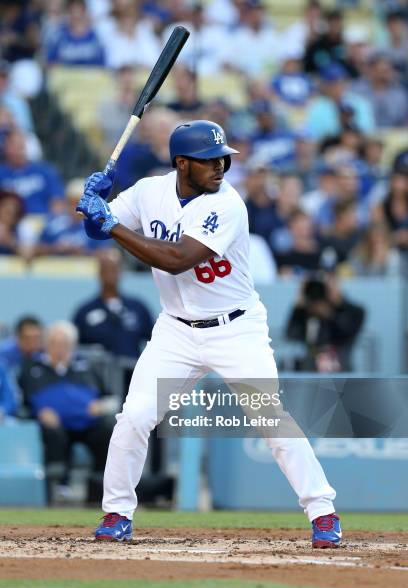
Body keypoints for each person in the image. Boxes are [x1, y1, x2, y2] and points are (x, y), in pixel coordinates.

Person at [77, 119, 342, 547]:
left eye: (223, 158)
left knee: (269, 417)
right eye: (208, 160)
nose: (220, 166)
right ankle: (116, 514)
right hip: (175, 330)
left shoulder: (227, 203)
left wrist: (110, 224)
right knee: (135, 417)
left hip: (236, 329)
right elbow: (93, 230)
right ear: (181, 163)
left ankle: (323, 512)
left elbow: (177, 259)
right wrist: (92, 203)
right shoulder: (149, 192)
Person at [18, 320, 117, 504]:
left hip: (87, 422)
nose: (59, 348)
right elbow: (24, 402)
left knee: (106, 430)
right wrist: (38, 413)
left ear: (72, 345)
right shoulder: (32, 368)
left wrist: (100, 406)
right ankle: (59, 488)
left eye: (64, 343)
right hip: (53, 426)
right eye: (54, 343)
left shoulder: (86, 366)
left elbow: (112, 399)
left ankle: (99, 489)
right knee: (54, 434)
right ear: (46, 344)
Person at [72, 248, 154, 360]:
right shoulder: (85, 311)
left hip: (131, 373)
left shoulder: (137, 308)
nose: (111, 274)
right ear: (99, 273)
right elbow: (76, 347)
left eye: (114, 269)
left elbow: (154, 340)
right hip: (97, 374)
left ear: (121, 272)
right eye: (106, 269)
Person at [286, 275, 365, 372]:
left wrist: (332, 311)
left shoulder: (355, 311)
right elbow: (291, 334)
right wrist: (299, 308)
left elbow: (347, 331)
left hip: (340, 368)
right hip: (310, 368)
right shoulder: (306, 311)